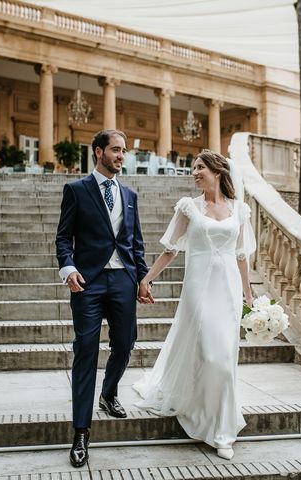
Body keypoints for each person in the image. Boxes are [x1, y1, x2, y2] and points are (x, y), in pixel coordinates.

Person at [134, 149, 256, 461]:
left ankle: (222, 429)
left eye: (200, 167)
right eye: (194, 168)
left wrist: (248, 293)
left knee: (225, 358)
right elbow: (170, 250)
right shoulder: (189, 208)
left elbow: (241, 255)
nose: (195, 172)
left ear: (218, 171)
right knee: (210, 354)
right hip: (199, 288)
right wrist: (147, 279)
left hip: (227, 288)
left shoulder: (239, 210)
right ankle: (204, 415)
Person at [56, 129, 153, 468]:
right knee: (86, 350)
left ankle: (109, 392)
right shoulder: (76, 190)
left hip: (123, 280)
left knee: (125, 344)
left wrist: (142, 278)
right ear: (98, 152)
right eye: (115, 150)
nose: (121, 156)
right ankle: (81, 431)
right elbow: (63, 237)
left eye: (123, 151)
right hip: (88, 282)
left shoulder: (129, 195)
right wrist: (67, 268)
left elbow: (136, 242)